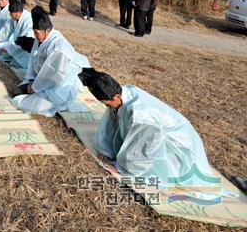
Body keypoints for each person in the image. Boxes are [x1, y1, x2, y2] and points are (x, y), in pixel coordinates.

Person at [78, 68, 216, 190]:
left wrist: (121, 167)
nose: (106, 106)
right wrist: (107, 149)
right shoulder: (122, 92)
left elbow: (142, 146)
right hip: (154, 130)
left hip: (177, 143)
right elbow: (112, 123)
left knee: (153, 167)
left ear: (117, 96)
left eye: (106, 102)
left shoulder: (141, 114)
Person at [11, 6, 90, 116]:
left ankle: (58, 103)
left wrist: (34, 87)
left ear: (48, 30)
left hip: (58, 89)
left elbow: (53, 75)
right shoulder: (41, 37)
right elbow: (33, 60)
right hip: (40, 80)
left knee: (21, 103)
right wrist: (31, 80)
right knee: (15, 93)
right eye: (34, 32)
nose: (35, 36)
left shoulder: (59, 49)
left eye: (36, 33)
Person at [0, 0, 34, 69]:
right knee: (2, 57)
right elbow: (6, 28)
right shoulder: (13, 17)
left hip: (27, 49)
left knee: (19, 64)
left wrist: (9, 49)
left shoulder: (28, 20)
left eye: (11, 13)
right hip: (17, 44)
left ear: (19, 12)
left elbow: (26, 41)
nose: (10, 15)